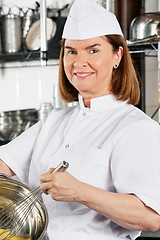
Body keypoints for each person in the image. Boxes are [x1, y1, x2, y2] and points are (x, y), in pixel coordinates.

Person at [0, 0, 160, 239]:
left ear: (117, 56)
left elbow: (150, 217)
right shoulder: (54, 121)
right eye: (71, 51)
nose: (78, 62)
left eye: (93, 50)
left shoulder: (137, 128)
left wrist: (80, 191)